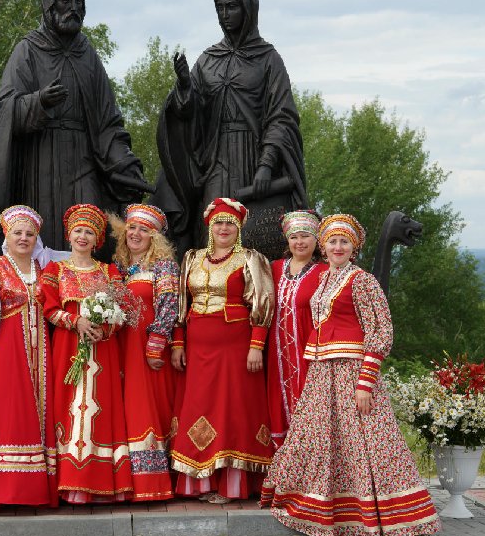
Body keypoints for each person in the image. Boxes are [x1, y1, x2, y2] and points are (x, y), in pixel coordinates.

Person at [260, 214, 441, 536]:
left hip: (351, 371)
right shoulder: (326, 279)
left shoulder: (361, 281)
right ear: (324, 246)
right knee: (326, 442)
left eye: (344, 241)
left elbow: (381, 331)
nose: (338, 247)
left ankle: (400, 519)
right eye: (332, 241)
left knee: (370, 443)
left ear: (353, 247)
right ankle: (332, 511)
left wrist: (365, 383)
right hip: (322, 372)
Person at [0, 0, 149, 258]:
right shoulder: (28, 51)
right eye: (67, 0)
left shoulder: (88, 55)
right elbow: (4, 112)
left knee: (90, 229)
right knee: (39, 233)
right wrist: (38, 103)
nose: (75, 8)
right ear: (49, 4)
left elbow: (108, 121)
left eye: (81, 1)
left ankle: (92, 300)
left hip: (83, 160)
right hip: (38, 163)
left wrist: (125, 165)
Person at [151, 0, 307, 255]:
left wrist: (266, 166)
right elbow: (189, 116)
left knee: (253, 241)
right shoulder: (208, 60)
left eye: (231, 7)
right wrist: (185, 87)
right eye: (220, 8)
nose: (225, 15)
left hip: (253, 159)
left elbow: (281, 116)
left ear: (248, 9)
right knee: (211, 232)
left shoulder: (268, 59)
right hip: (215, 161)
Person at [170, 197, 274, 503]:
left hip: (235, 344)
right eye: (219, 223)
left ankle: (233, 483)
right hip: (198, 344)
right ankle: (201, 482)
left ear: (238, 228)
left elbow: (263, 302)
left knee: (231, 410)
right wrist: (178, 342)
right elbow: (181, 303)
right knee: (199, 408)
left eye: (230, 223)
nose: (224, 228)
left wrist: (256, 346)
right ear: (209, 227)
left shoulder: (250, 259)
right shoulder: (192, 258)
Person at [40, 204, 137, 503]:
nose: (83, 237)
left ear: (97, 241)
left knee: (101, 410)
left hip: (102, 352)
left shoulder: (109, 272)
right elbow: (50, 309)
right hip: (67, 349)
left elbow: (122, 312)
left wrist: (104, 329)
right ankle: (71, 485)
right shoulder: (54, 270)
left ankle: (102, 484)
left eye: (89, 233)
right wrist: (76, 321)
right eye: (78, 231)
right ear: (69, 237)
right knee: (67, 408)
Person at [0, 205, 57, 507]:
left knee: (41, 410)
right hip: (6, 349)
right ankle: (5, 488)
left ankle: (36, 488)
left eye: (30, 234)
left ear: (36, 239)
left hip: (41, 352)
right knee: (8, 412)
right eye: (18, 233)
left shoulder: (44, 271)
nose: (24, 238)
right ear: (7, 235)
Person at [111, 203, 181, 501]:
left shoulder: (162, 265)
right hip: (122, 348)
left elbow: (170, 306)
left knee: (151, 407)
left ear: (155, 237)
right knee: (127, 408)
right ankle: (130, 481)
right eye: (132, 228)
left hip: (148, 349)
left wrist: (157, 342)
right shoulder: (120, 269)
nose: (136, 233)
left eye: (144, 229)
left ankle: (154, 483)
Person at [266, 210, 325, 449]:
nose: (299, 242)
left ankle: (309, 464)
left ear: (316, 240)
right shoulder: (274, 268)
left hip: (307, 348)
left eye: (305, 236)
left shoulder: (324, 272)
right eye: (294, 237)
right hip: (276, 352)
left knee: (309, 402)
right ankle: (281, 469)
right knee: (277, 403)